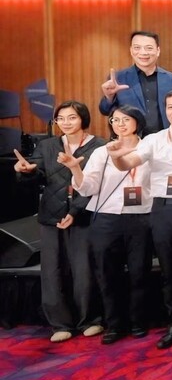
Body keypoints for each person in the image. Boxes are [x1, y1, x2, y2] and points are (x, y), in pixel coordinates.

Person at [107, 89, 172, 349]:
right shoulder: (154, 140)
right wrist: (116, 156)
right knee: (169, 270)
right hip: (164, 210)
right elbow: (128, 163)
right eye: (171, 107)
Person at [13, 101, 104, 342]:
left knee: (84, 269)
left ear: (83, 118)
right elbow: (38, 175)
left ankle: (90, 320)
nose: (65, 122)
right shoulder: (47, 145)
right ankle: (60, 324)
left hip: (84, 215)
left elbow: (98, 185)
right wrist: (26, 171)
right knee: (52, 271)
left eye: (71, 117)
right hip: (51, 215)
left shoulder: (99, 146)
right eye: (60, 118)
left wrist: (75, 211)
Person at [66, 105, 151, 344]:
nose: (120, 124)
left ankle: (138, 322)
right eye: (115, 120)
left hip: (141, 217)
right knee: (107, 273)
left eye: (126, 119)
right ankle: (114, 324)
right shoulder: (102, 152)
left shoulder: (149, 147)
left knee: (139, 272)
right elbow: (88, 187)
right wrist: (75, 169)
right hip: (106, 217)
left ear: (138, 122)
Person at [99, 31, 172, 133]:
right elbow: (105, 111)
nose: (143, 52)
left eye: (149, 48)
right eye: (137, 48)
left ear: (158, 51)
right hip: (131, 139)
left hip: (164, 139)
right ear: (131, 50)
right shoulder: (118, 78)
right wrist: (109, 97)